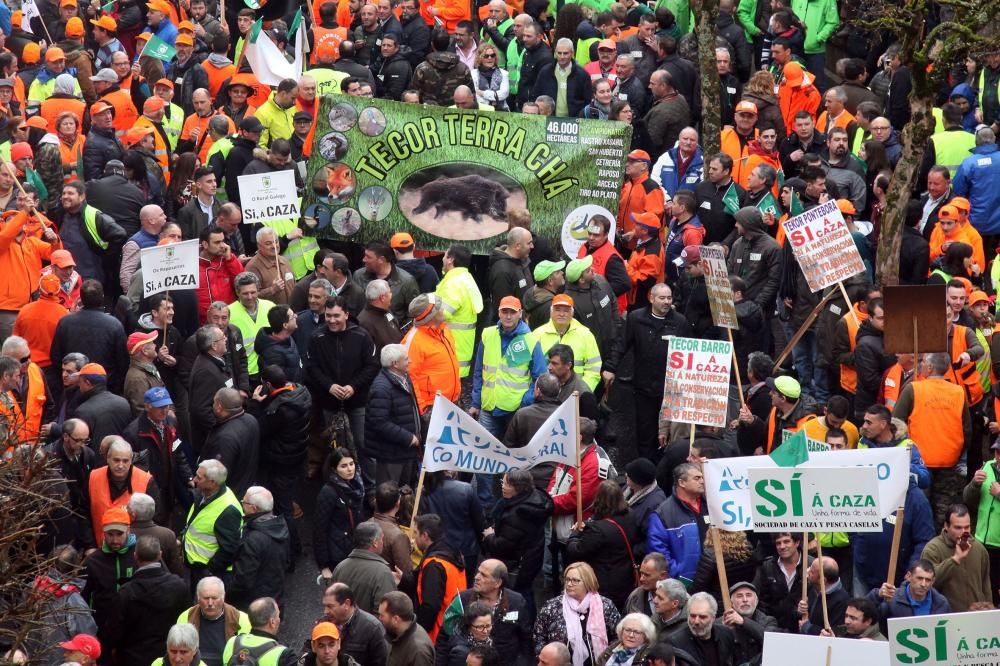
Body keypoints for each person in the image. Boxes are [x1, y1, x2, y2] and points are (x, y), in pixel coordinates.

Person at [604, 283, 691, 460]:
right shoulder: (636, 319)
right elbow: (621, 344)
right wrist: (611, 368)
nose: (667, 302)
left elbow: (691, 352)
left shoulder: (680, 322)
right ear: (651, 299)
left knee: (670, 434)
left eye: (669, 298)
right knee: (645, 432)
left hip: (672, 391)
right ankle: (647, 469)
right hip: (644, 388)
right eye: (662, 298)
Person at [893, 352, 971, 526]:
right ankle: (944, 548)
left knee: (919, 511)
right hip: (949, 463)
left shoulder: (913, 389)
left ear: (930, 367)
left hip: (919, 464)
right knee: (944, 514)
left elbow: (895, 422)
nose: (920, 364)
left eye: (922, 361)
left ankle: (924, 549)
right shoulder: (958, 392)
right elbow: (967, 430)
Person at [306, 295, 380, 454]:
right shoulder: (317, 338)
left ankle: (368, 479)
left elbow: (372, 366)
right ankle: (336, 478)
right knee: (334, 445)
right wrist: (329, 386)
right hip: (329, 402)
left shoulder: (362, 336)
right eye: (328, 315)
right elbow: (312, 368)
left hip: (358, 401)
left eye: (336, 316)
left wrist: (354, 386)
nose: (332, 320)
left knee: (362, 443)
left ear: (346, 314)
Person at [110, 535, 190, 666]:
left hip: (132, 658)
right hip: (170, 657)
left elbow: (115, 631)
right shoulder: (179, 586)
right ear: (160, 555)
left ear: (135, 556)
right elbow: (187, 621)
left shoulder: (126, 592)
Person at [567, 480, 638, 610]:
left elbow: (576, 551)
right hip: (625, 577)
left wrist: (575, 533)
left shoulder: (599, 529)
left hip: (605, 581)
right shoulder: (630, 515)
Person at [532, 562, 621, 664]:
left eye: (575, 580)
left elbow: (618, 637)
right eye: (567, 579)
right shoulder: (552, 606)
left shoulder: (605, 605)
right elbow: (539, 637)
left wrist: (608, 660)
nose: (569, 584)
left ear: (588, 582)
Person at [49, 280, 129, 392]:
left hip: (74, 387)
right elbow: (123, 363)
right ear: (102, 297)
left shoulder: (65, 322)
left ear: (81, 298)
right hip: (104, 388)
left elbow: (55, 357)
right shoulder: (114, 325)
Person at [181, 459, 243, 593]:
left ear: (213, 482)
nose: (194, 479)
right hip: (197, 568)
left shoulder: (228, 510)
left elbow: (230, 548)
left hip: (212, 574)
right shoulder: (203, 494)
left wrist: (209, 571)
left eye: (199, 477)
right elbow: (194, 522)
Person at [82, 506, 137, 657]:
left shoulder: (139, 555)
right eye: (110, 534)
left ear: (128, 530)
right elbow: (83, 599)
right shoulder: (93, 561)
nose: (114, 540)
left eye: (119, 534)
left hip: (134, 629)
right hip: (103, 630)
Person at [365, 343, 422, 487]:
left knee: (404, 493)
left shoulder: (403, 378)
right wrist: (409, 438)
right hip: (391, 455)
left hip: (404, 451)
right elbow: (379, 423)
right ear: (395, 364)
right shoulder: (382, 388)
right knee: (389, 494)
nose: (410, 361)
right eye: (406, 359)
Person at [919, 503, 992, 611]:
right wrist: (955, 559)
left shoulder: (979, 549)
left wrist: (989, 611)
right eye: (958, 527)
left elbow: (986, 586)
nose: (964, 532)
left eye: (967, 527)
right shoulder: (933, 549)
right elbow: (926, 584)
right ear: (946, 526)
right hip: (947, 617)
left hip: (976, 616)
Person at [229, 486, 290, 609]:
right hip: (275, 599)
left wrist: (228, 595)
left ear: (253, 508)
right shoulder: (280, 527)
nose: (242, 504)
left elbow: (244, 580)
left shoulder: (253, 539)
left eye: (244, 502)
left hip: (254, 606)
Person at [647, 464, 707, 587]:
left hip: (715, 578)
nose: (702, 481)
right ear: (682, 482)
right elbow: (659, 552)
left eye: (702, 478)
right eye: (697, 478)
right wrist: (678, 574)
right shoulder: (663, 513)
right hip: (685, 583)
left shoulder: (710, 505)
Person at [411, 513, 467, 642]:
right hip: (452, 628)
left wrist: (419, 634)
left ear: (425, 535)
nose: (414, 537)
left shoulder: (434, 565)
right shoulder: (452, 554)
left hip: (435, 634)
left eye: (416, 533)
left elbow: (430, 606)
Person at [315, 447, 368, 582]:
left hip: (355, 547)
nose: (350, 469)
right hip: (338, 553)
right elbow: (320, 529)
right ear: (334, 469)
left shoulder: (357, 486)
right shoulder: (328, 492)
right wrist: (324, 565)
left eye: (351, 464)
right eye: (343, 466)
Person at [436, 245, 484, 381]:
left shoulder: (454, 283)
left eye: (445, 256)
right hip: (460, 351)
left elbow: (440, 315)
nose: (443, 259)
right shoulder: (465, 278)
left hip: (450, 352)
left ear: (450, 259)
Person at [201, 387, 260, 498]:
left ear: (219, 407)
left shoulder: (224, 438)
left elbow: (218, 476)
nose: (212, 405)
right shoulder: (251, 419)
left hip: (231, 494)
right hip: (247, 484)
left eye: (214, 402)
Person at [332, 522, 400, 615]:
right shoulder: (382, 572)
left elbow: (332, 605)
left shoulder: (339, 568)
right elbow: (386, 614)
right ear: (375, 543)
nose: (382, 543)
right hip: (369, 629)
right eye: (382, 539)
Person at [319, 583, 389, 666]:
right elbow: (310, 647)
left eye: (330, 606)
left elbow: (381, 662)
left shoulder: (372, 628)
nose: (325, 611)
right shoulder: (324, 622)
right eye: (325, 606)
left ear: (346, 604)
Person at [220, 597, 297, 666]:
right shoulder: (284, 655)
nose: (279, 619)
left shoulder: (232, 642)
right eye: (278, 616)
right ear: (272, 622)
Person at [866, 559, 951, 621]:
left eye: (928, 580)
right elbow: (864, 614)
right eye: (919, 578)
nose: (923, 584)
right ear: (909, 576)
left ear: (933, 581)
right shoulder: (891, 598)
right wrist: (877, 595)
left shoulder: (941, 603)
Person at [577, 214, 629, 314]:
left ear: (606, 235)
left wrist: (597, 294)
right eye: (589, 233)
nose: (591, 238)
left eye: (596, 235)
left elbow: (624, 284)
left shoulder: (612, 257)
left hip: (607, 312)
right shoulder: (584, 247)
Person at [669, 592, 736, 666]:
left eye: (702, 617)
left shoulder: (726, 634)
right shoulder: (675, 643)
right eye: (693, 616)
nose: (696, 621)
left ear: (713, 618)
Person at [722, 581, 779, 664]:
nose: (745, 600)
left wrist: (743, 622)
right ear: (732, 602)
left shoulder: (768, 621)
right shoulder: (721, 623)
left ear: (756, 601)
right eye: (739, 596)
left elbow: (771, 643)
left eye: (748, 595)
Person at [380, 591, 435, 666]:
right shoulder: (396, 634)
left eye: (382, 616)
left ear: (396, 619)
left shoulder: (418, 651)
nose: (379, 618)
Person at [798, 556, 849, 635]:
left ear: (822, 580)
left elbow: (833, 633)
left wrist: (807, 627)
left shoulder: (842, 601)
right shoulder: (812, 586)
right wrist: (799, 610)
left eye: (811, 572)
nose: (807, 572)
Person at [444, 602, 496, 666]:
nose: (485, 631)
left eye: (488, 626)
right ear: (468, 626)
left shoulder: (487, 641)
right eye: (480, 627)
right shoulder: (460, 653)